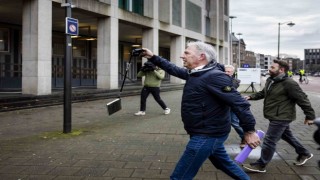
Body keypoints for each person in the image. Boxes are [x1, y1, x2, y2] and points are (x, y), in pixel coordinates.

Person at [140, 41, 260, 180]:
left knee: (179, 177)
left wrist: (249, 131)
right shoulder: (196, 74)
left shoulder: (214, 76)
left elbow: (240, 104)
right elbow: (172, 68)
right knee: (224, 164)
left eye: (186, 53)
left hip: (207, 134)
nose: (182, 56)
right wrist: (153, 57)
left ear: (201, 56)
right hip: (202, 131)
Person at [243, 60, 315, 173]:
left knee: (269, 140)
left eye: (272, 67)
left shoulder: (289, 83)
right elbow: (263, 93)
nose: (269, 69)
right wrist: (251, 97)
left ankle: (261, 165)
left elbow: (302, 99)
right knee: (287, 136)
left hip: (282, 116)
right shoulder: (270, 80)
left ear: (281, 70)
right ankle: (304, 153)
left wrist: (310, 116)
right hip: (273, 114)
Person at [224, 65, 246, 148]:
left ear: (233, 73)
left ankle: (244, 137)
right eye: (225, 71)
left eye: (228, 72)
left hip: (232, 105)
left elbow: (227, 89)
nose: (226, 73)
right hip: (222, 106)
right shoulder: (220, 79)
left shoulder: (235, 81)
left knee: (235, 123)